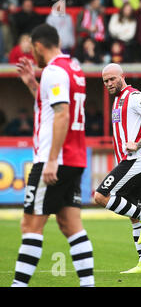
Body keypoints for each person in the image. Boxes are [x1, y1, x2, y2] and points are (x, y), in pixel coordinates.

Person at [11, 24, 94, 287]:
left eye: (31, 49)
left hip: (55, 159)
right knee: (70, 225)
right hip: (75, 159)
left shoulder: (54, 70)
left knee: (30, 225)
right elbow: (52, 106)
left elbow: (62, 115)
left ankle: (18, 285)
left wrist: (51, 160)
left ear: (38, 45)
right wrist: (33, 85)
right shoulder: (74, 68)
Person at [93, 63, 141, 274]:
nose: (109, 83)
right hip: (130, 161)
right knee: (134, 214)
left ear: (123, 76)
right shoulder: (117, 101)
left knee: (100, 196)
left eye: (112, 79)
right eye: (105, 81)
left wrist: (138, 144)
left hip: (136, 160)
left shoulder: (134, 95)